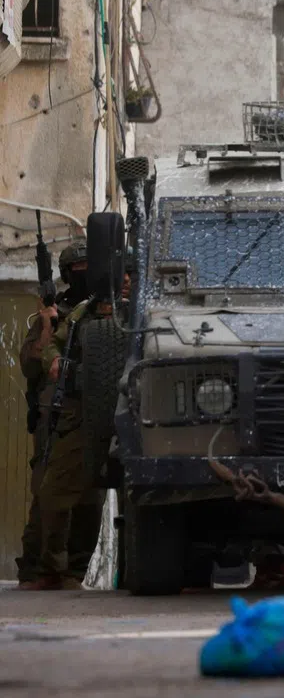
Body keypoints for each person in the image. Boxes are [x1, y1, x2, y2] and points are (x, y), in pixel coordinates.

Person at [15, 241, 106, 591]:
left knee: (90, 497)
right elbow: (30, 365)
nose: (82, 273)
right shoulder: (54, 314)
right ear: (67, 274)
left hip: (92, 410)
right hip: (53, 413)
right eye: (76, 269)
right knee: (47, 493)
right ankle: (36, 569)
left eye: (88, 266)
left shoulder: (101, 309)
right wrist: (47, 324)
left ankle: (74, 570)